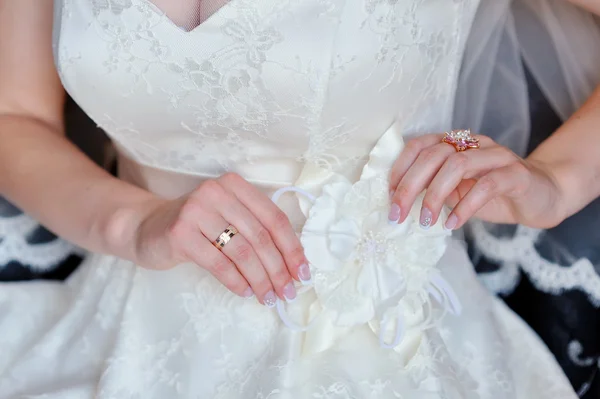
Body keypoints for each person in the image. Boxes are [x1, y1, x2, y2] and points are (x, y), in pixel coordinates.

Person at [0, 0, 597, 397]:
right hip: (122, 335)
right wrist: (135, 223)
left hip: (393, 347)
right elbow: (15, 114)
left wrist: (558, 181)